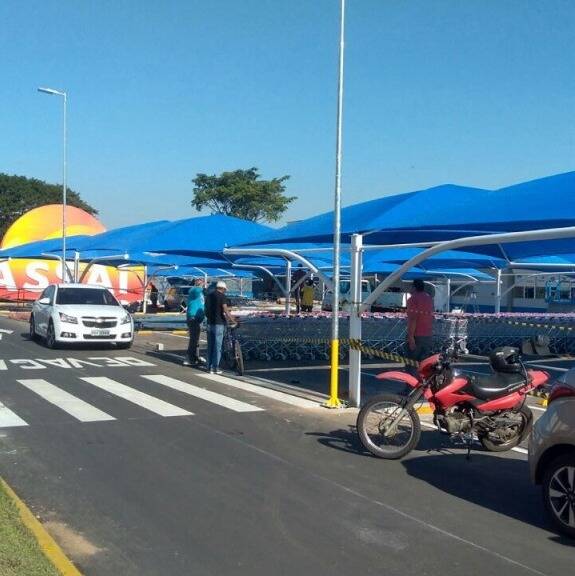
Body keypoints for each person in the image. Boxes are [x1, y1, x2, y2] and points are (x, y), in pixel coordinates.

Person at [205, 281, 236, 374]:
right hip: (219, 323)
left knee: (210, 346)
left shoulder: (209, 296)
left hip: (210, 323)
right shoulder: (222, 296)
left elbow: (205, 309)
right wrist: (233, 320)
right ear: (223, 289)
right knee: (218, 347)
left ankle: (208, 366)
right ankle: (215, 367)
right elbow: (225, 310)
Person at [405, 279, 434, 375]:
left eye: (410, 286)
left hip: (417, 335)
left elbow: (413, 319)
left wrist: (410, 337)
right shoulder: (428, 298)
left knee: (411, 364)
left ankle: (410, 388)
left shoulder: (412, 299)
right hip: (427, 335)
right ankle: (423, 387)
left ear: (414, 287)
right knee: (424, 364)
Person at [183, 278, 205, 367]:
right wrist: (201, 286)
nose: (202, 282)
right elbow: (196, 290)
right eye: (200, 280)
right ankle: (189, 358)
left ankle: (195, 357)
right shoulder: (194, 290)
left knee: (195, 339)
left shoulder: (200, 293)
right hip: (193, 317)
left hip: (198, 317)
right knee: (194, 339)